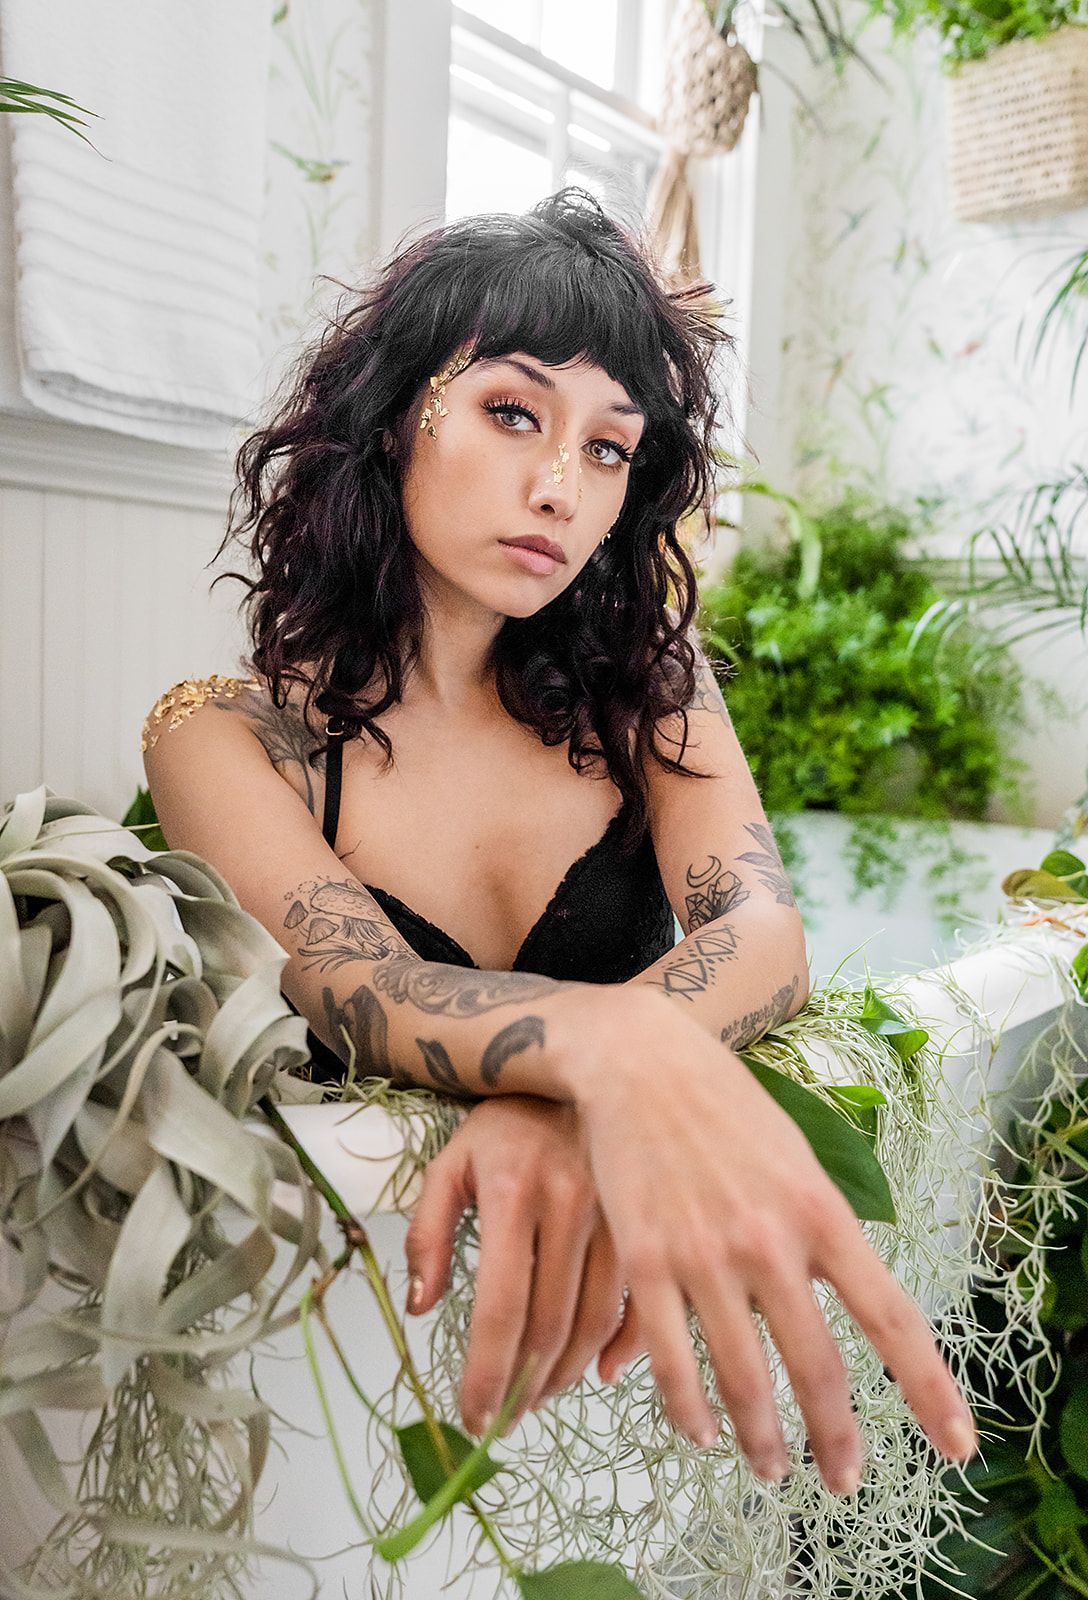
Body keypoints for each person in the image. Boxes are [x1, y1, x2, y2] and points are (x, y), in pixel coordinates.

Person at [141, 187, 977, 1498]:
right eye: (515, 412)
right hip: (339, 1401)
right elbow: (361, 989)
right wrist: (610, 1056)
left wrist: (573, 1094)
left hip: (630, 1382)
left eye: (609, 449)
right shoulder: (226, 737)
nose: (559, 487)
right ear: (393, 414)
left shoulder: (651, 690)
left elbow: (760, 932)